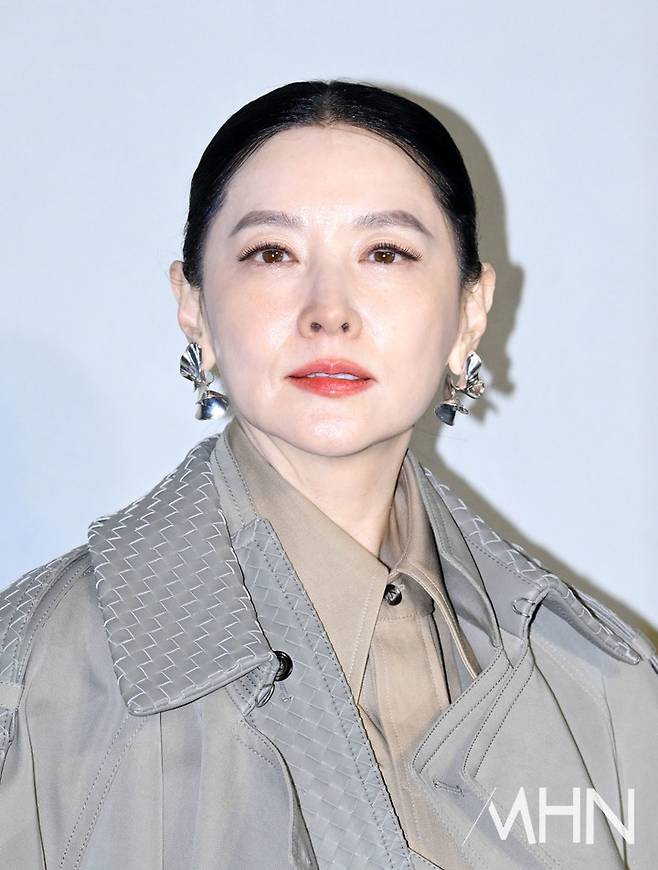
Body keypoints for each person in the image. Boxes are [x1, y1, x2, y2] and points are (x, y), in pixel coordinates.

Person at [0, 79, 656, 870]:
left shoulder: (602, 686)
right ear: (193, 305)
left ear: (470, 311)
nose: (329, 311)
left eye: (386, 253)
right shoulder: (34, 676)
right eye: (272, 254)